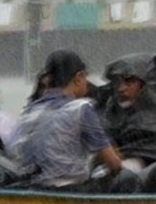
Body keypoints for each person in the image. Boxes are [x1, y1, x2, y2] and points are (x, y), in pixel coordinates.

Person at [11, 50, 138, 193]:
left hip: (29, 189)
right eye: (85, 78)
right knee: (127, 176)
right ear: (79, 78)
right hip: (68, 190)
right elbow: (114, 164)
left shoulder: (29, 110)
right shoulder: (81, 108)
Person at [100, 51, 156, 193]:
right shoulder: (112, 111)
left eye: (129, 81)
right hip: (123, 170)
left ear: (144, 84)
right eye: (118, 82)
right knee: (112, 176)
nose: (121, 88)